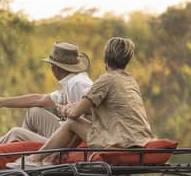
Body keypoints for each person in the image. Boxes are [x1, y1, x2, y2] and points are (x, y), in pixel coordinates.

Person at [10, 36, 155, 166]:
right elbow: (90, 108)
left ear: (105, 59)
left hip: (120, 141)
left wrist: (65, 109)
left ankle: (34, 159)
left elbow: (75, 114)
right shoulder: (130, 81)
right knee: (75, 121)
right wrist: (74, 107)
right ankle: (50, 158)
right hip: (140, 139)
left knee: (72, 122)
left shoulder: (105, 80)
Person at [0, 42, 93, 160]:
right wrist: (1, 102)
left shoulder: (78, 84)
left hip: (72, 141)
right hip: (67, 132)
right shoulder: (72, 81)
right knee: (34, 112)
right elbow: (39, 99)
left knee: (15, 133)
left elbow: (93, 113)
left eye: (51, 66)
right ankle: (20, 154)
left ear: (56, 68)